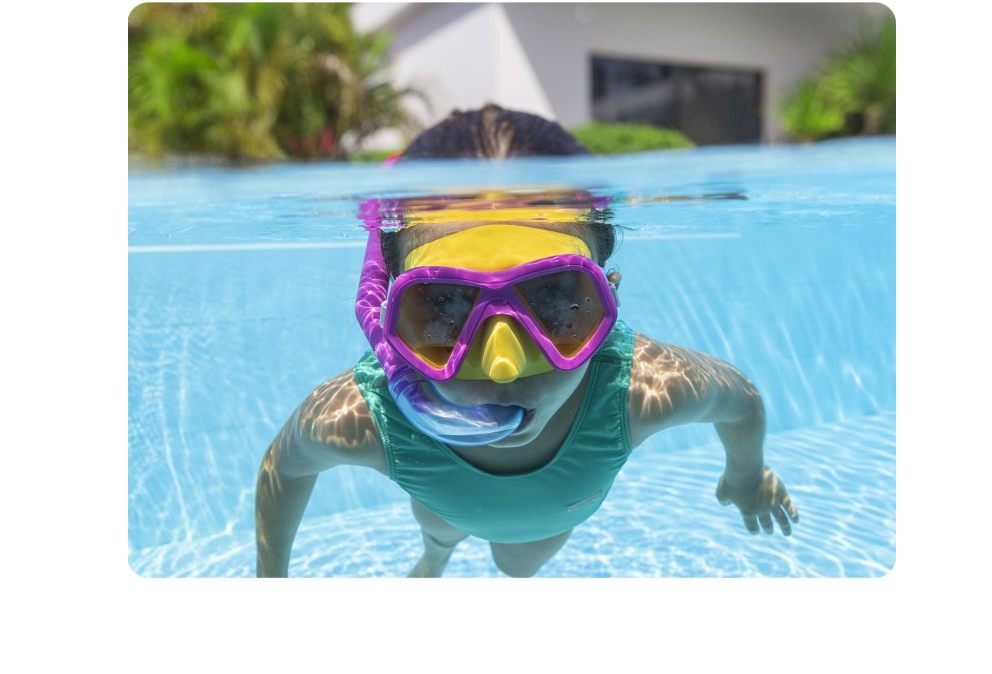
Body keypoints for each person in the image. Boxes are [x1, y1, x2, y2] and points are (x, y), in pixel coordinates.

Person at [255, 104, 798, 578]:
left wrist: (747, 475)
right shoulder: (370, 415)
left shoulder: (637, 389)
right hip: (448, 507)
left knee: (516, 565)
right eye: (443, 307)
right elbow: (283, 466)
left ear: (608, 299)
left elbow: (741, 400)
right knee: (440, 530)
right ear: (393, 322)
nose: (504, 367)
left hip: (540, 528)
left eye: (557, 301)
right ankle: (435, 559)